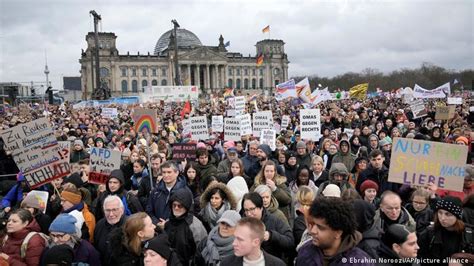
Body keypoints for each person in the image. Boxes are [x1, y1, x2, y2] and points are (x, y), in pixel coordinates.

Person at [296, 197, 374, 265]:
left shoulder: (359, 262)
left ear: (338, 233)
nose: (312, 231)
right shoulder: (305, 252)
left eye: (320, 228)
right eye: (313, 225)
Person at [418, 196, 474, 261]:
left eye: (448, 214)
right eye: (440, 213)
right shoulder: (429, 233)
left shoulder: (469, 234)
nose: (442, 218)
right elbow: (420, 257)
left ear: (457, 216)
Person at [241, 192, 294, 260]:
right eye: (246, 210)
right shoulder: (242, 224)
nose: (249, 214)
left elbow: (290, 242)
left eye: (252, 209)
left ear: (261, 208)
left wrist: (271, 235)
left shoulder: (275, 221)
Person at [165, 188, 207, 265]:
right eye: (174, 205)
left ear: (186, 206)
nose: (176, 208)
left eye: (180, 206)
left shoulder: (195, 226)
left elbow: (202, 250)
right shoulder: (169, 222)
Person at [220, 217, 286, 266]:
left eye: (240, 239)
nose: (234, 243)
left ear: (256, 242)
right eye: (235, 238)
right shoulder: (226, 263)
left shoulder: (278, 264)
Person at [146, 161, 189, 226]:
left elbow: (189, 213)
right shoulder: (155, 191)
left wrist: (168, 224)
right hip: (158, 229)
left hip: (176, 230)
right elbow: (149, 210)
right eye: (164, 172)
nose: (166, 175)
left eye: (169, 172)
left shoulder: (185, 192)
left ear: (176, 173)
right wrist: (157, 223)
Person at [93, 195, 127, 265]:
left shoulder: (129, 226)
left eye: (114, 210)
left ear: (122, 209)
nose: (111, 214)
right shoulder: (99, 225)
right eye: (108, 210)